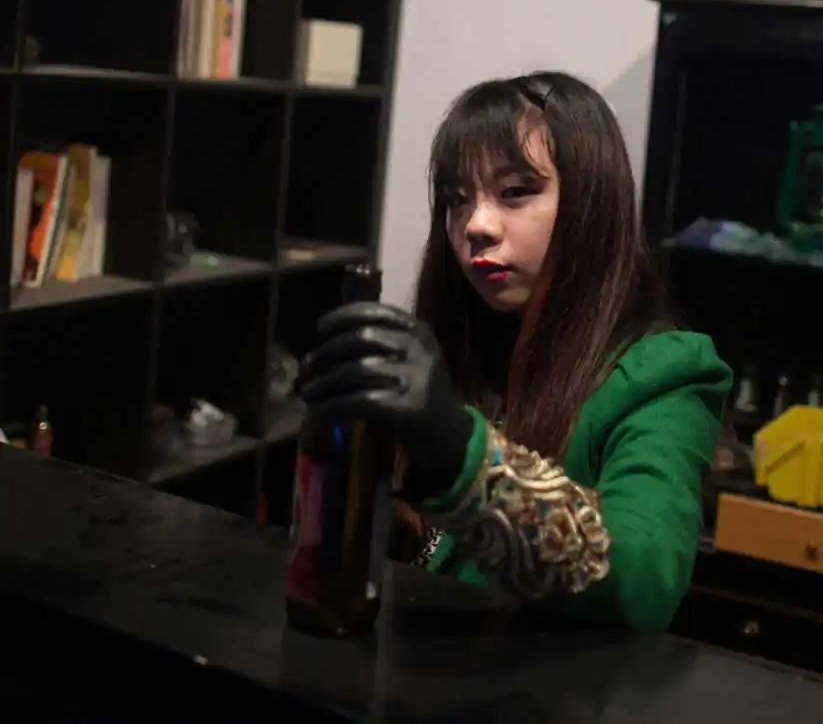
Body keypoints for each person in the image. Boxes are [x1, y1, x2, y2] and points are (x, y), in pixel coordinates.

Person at [298, 71, 732, 632]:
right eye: (457, 200)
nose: (477, 225)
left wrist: (460, 448)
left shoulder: (665, 372)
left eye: (516, 193)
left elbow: (644, 581)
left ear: (589, 205)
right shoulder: (456, 345)